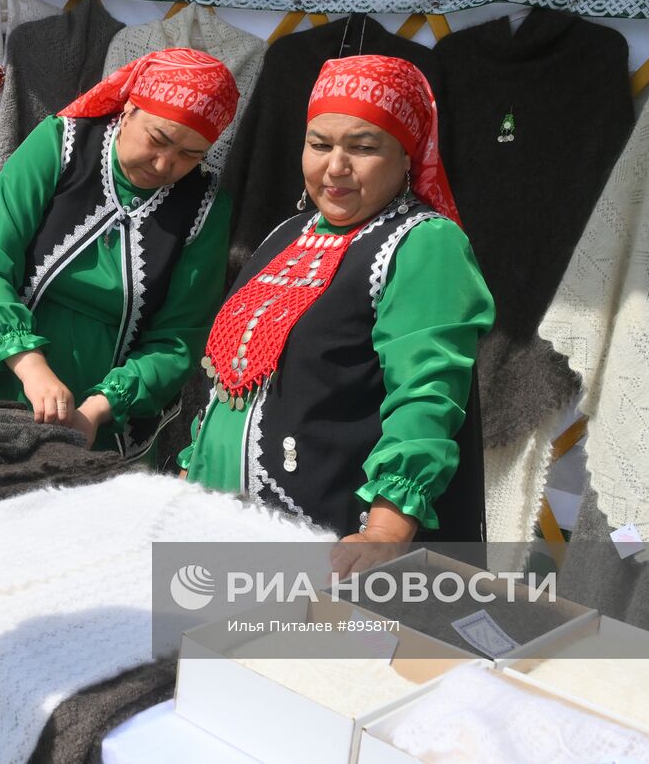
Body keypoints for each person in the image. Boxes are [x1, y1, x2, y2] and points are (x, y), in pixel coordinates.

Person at [178, 55, 495, 549]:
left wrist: (384, 533)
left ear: (407, 156)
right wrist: (193, 468)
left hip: (319, 532)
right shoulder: (289, 233)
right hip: (215, 513)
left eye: (363, 147)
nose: (335, 167)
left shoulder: (424, 244)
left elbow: (426, 395)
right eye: (319, 144)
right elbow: (229, 378)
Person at [0, 48, 238, 459]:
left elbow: (178, 338)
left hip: (112, 421)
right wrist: (32, 368)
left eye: (191, 154)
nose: (164, 163)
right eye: (158, 139)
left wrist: (98, 409)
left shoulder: (204, 208)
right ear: (129, 109)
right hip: (15, 378)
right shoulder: (58, 146)